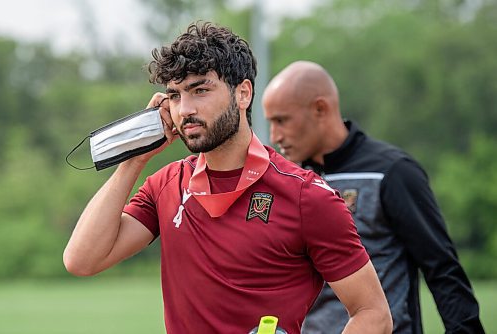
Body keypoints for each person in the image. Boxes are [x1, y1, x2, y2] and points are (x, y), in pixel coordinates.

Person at [63, 22, 393, 334]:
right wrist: (135, 159)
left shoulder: (308, 196)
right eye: (175, 96)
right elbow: (82, 260)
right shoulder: (165, 184)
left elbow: (373, 313)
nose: (184, 110)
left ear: (243, 94)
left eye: (200, 90)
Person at [262, 60, 485, 334]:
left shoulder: (393, 172)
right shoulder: (290, 180)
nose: (275, 135)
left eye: (282, 120)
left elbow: (442, 269)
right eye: (270, 123)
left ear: (320, 109)